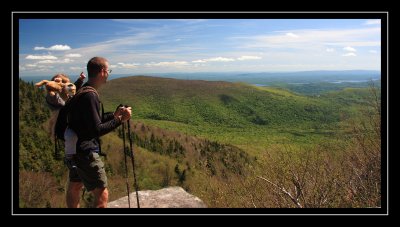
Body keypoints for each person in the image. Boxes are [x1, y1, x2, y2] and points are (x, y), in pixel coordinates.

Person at [66, 57, 131, 208]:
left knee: (75, 185)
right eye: (108, 71)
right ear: (102, 72)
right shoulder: (90, 95)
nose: (109, 73)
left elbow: (92, 120)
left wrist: (113, 115)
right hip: (85, 151)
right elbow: (96, 129)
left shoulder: (83, 91)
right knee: (102, 192)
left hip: (73, 148)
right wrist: (121, 119)